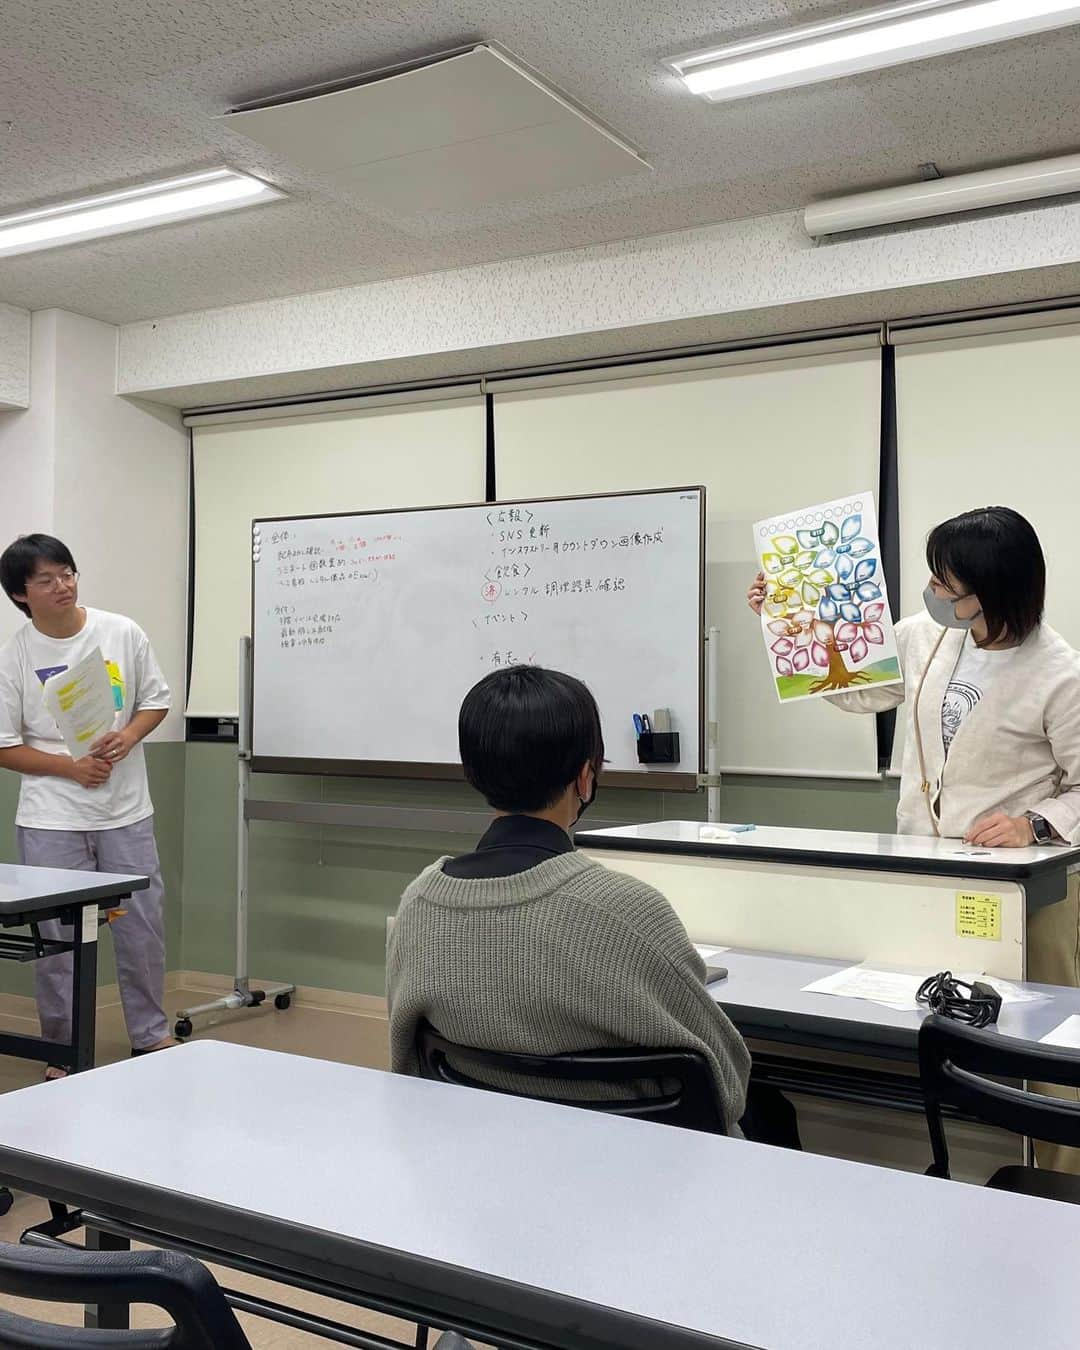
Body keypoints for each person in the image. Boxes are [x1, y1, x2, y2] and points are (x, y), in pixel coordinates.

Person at [749, 505, 1080, 1168]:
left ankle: (1058, 1177)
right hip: (927, 870)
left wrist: (1034, 823)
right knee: (935, 1021)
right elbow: (854, 691)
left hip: (1027, 891)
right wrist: (784, 619)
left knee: (1040, 1045)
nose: (935, 594)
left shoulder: (1059, 673)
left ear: (997, 591)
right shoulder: (927, 638)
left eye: (948, 585)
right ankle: (956, 1160)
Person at [388, 663, 796, 1142]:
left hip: (485, 1166)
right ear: (585, 778)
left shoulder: (421, 904)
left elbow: (405, 1067)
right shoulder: (627, 912)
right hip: (646, 1185)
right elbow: (728, 1081)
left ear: (474, 772)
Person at [0, 534, 175, 1076]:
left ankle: (150, 1036)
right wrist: (70, 767)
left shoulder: (120, 631)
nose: (64, 586)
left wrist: (128, 737)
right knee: (57, 939)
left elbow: (156, 701)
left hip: (125, 811)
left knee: (141, 926)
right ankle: (64, 1048)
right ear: (21, 594)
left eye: (69, 572)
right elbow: (5, 744)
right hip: (52, 817)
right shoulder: (15, 655)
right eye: (47, 579)